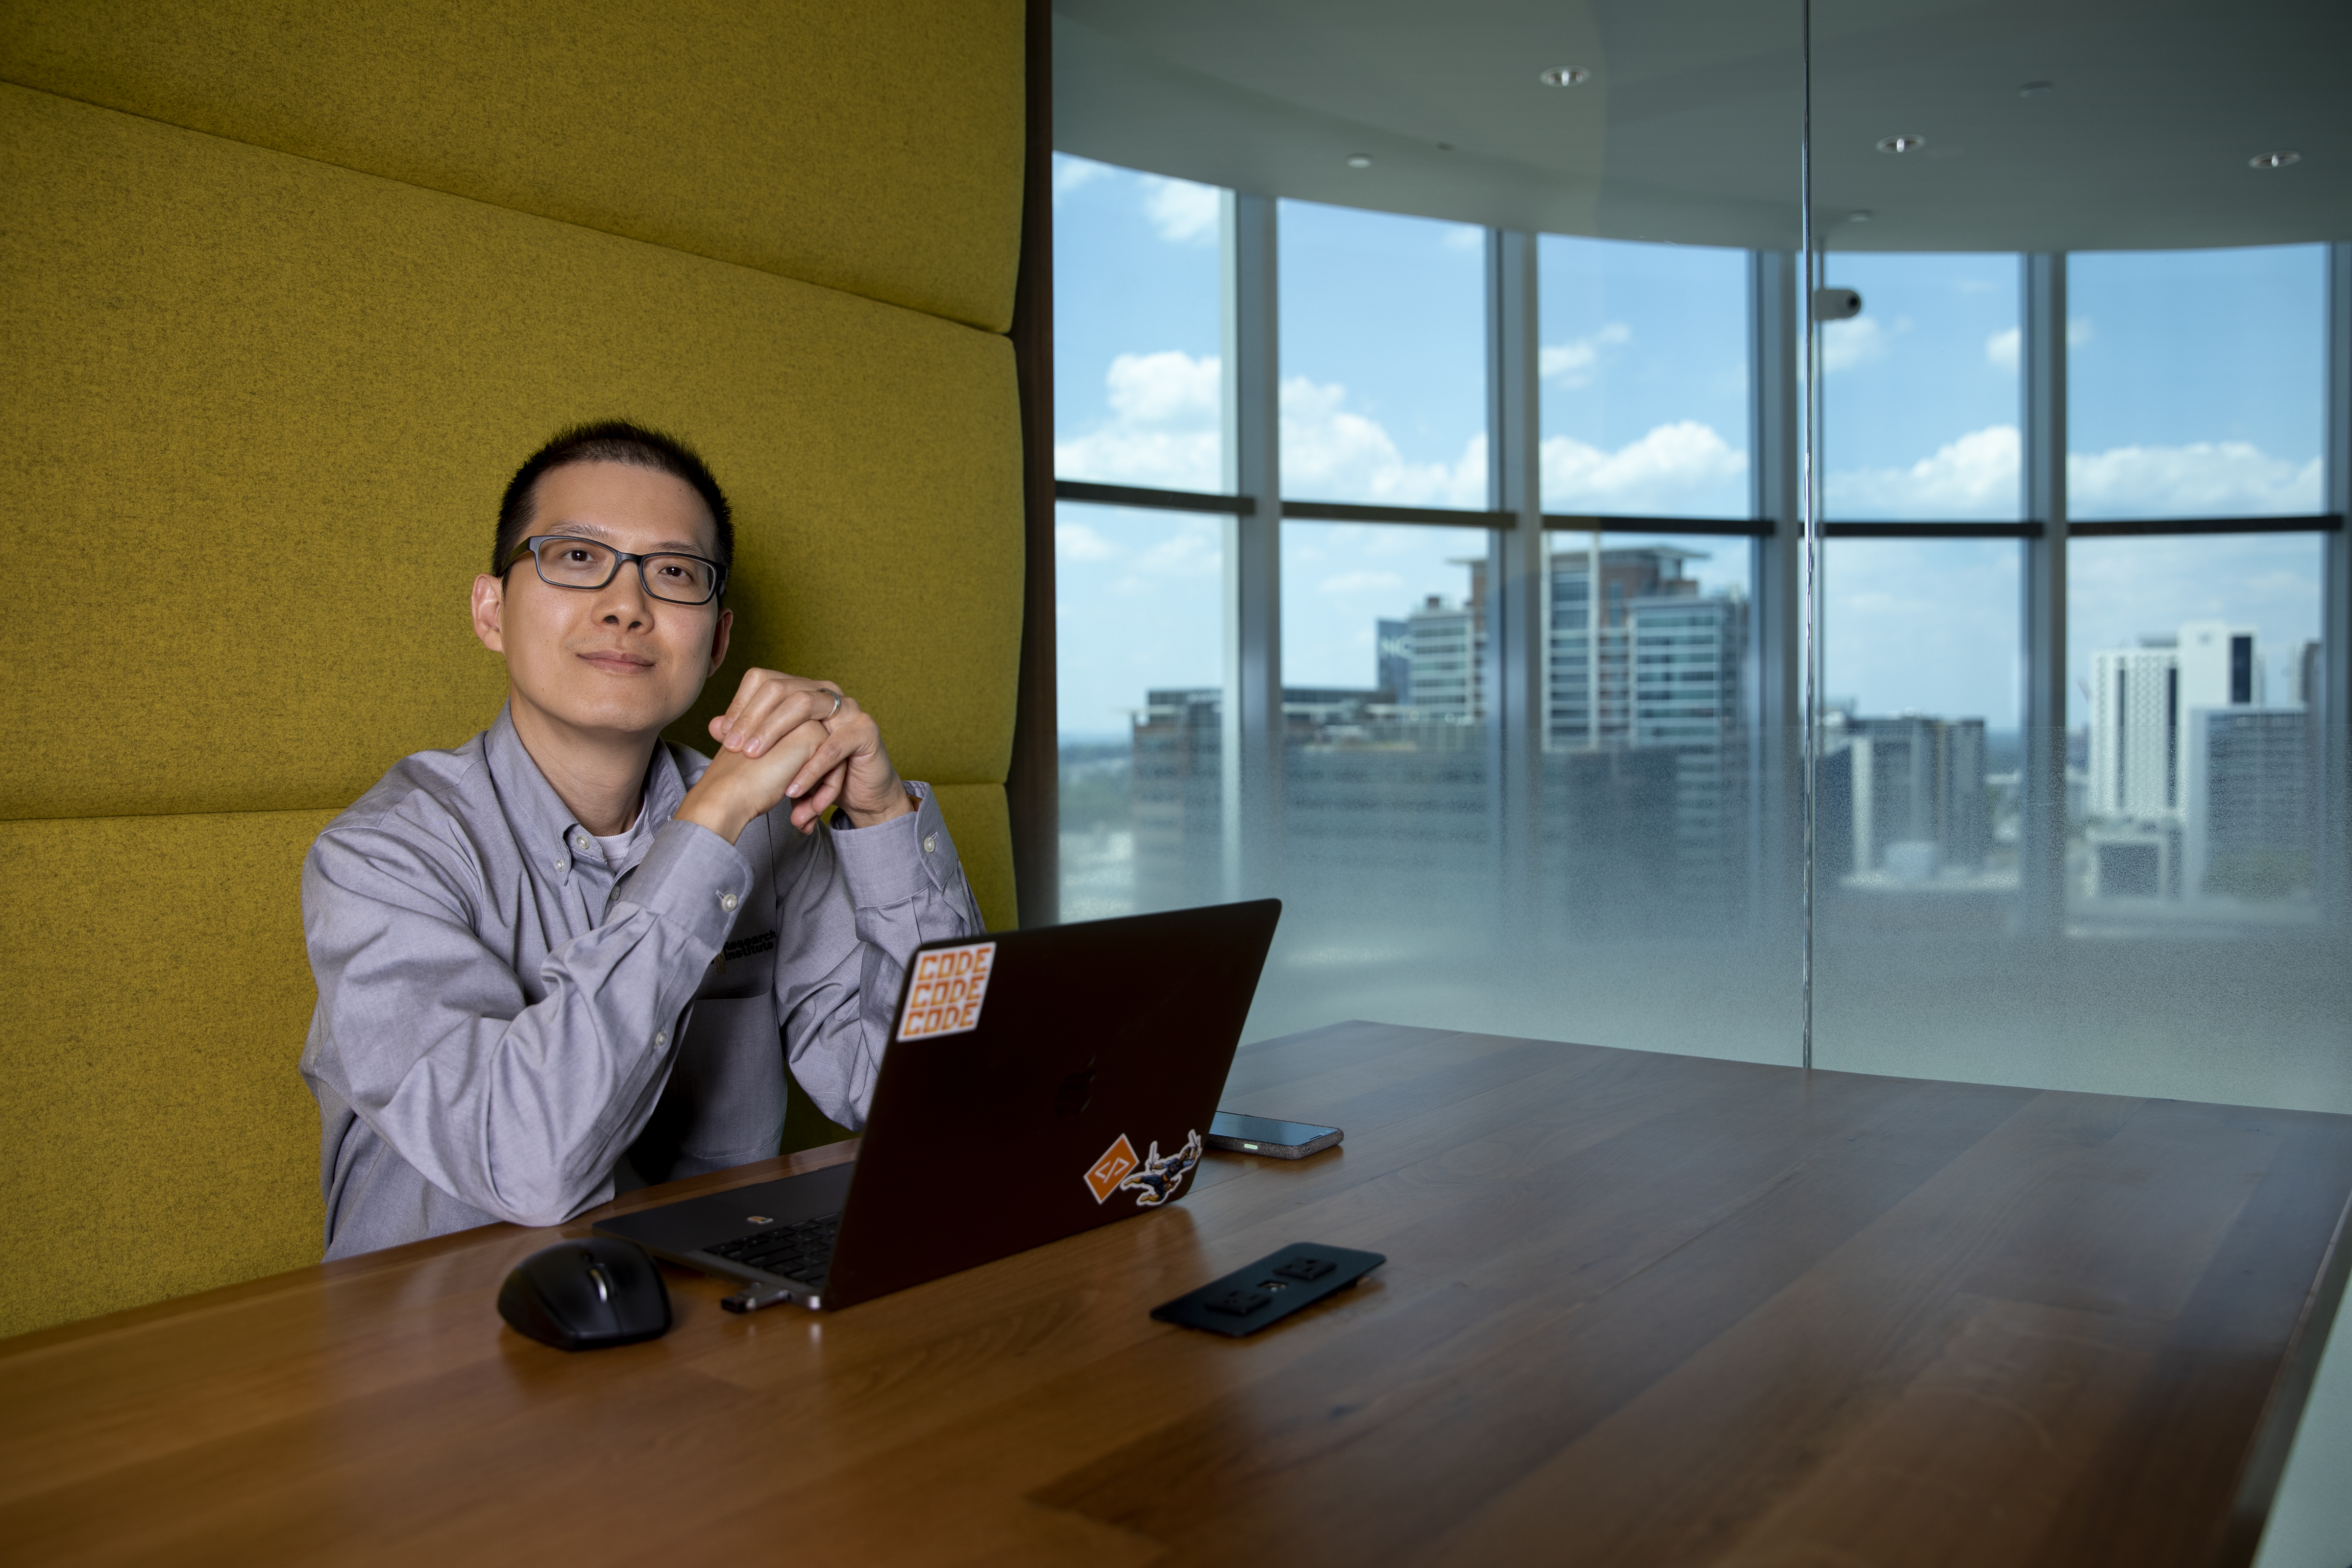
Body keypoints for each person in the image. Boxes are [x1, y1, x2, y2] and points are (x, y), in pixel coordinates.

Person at [298, 421, 980, 1259]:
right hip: (443, 1347)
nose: (627, 606)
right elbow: (528, 1165)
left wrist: (881, 821)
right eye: (577, 558)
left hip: (711, 1325)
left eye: (673, 573)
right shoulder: (379, 858)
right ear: (490, 612)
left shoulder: (776, 825)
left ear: (718, 640)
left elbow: (937, 1099)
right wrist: (710, 826)